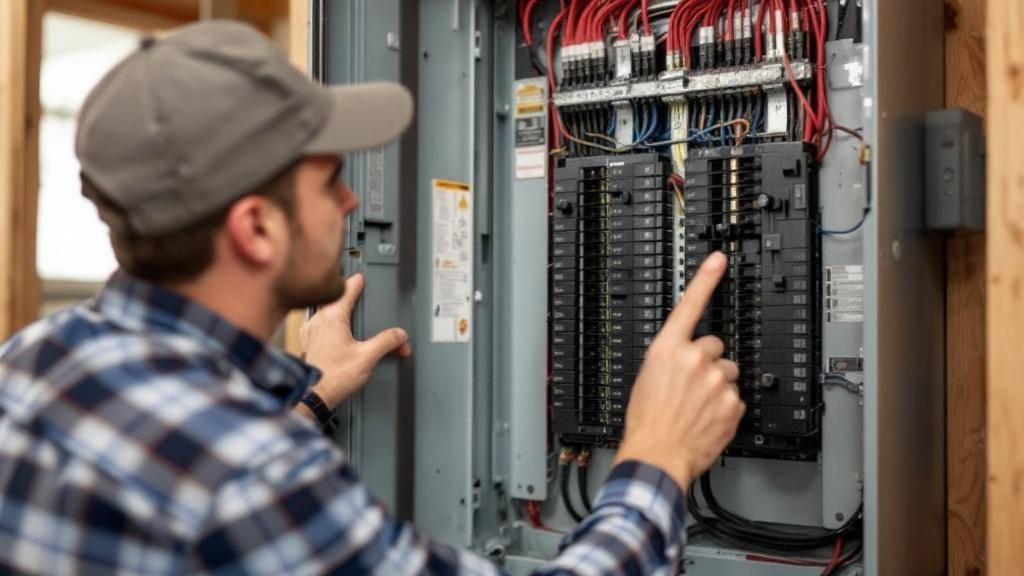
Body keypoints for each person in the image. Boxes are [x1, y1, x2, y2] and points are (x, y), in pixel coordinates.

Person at [0, 20, 743, 575]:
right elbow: (228, 488)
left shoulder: (30, 361)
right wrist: (657, 455)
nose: (354, 201)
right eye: (328, 181)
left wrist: (314, 397)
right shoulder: (257, 479)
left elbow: (177, 478)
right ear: (256, 228)